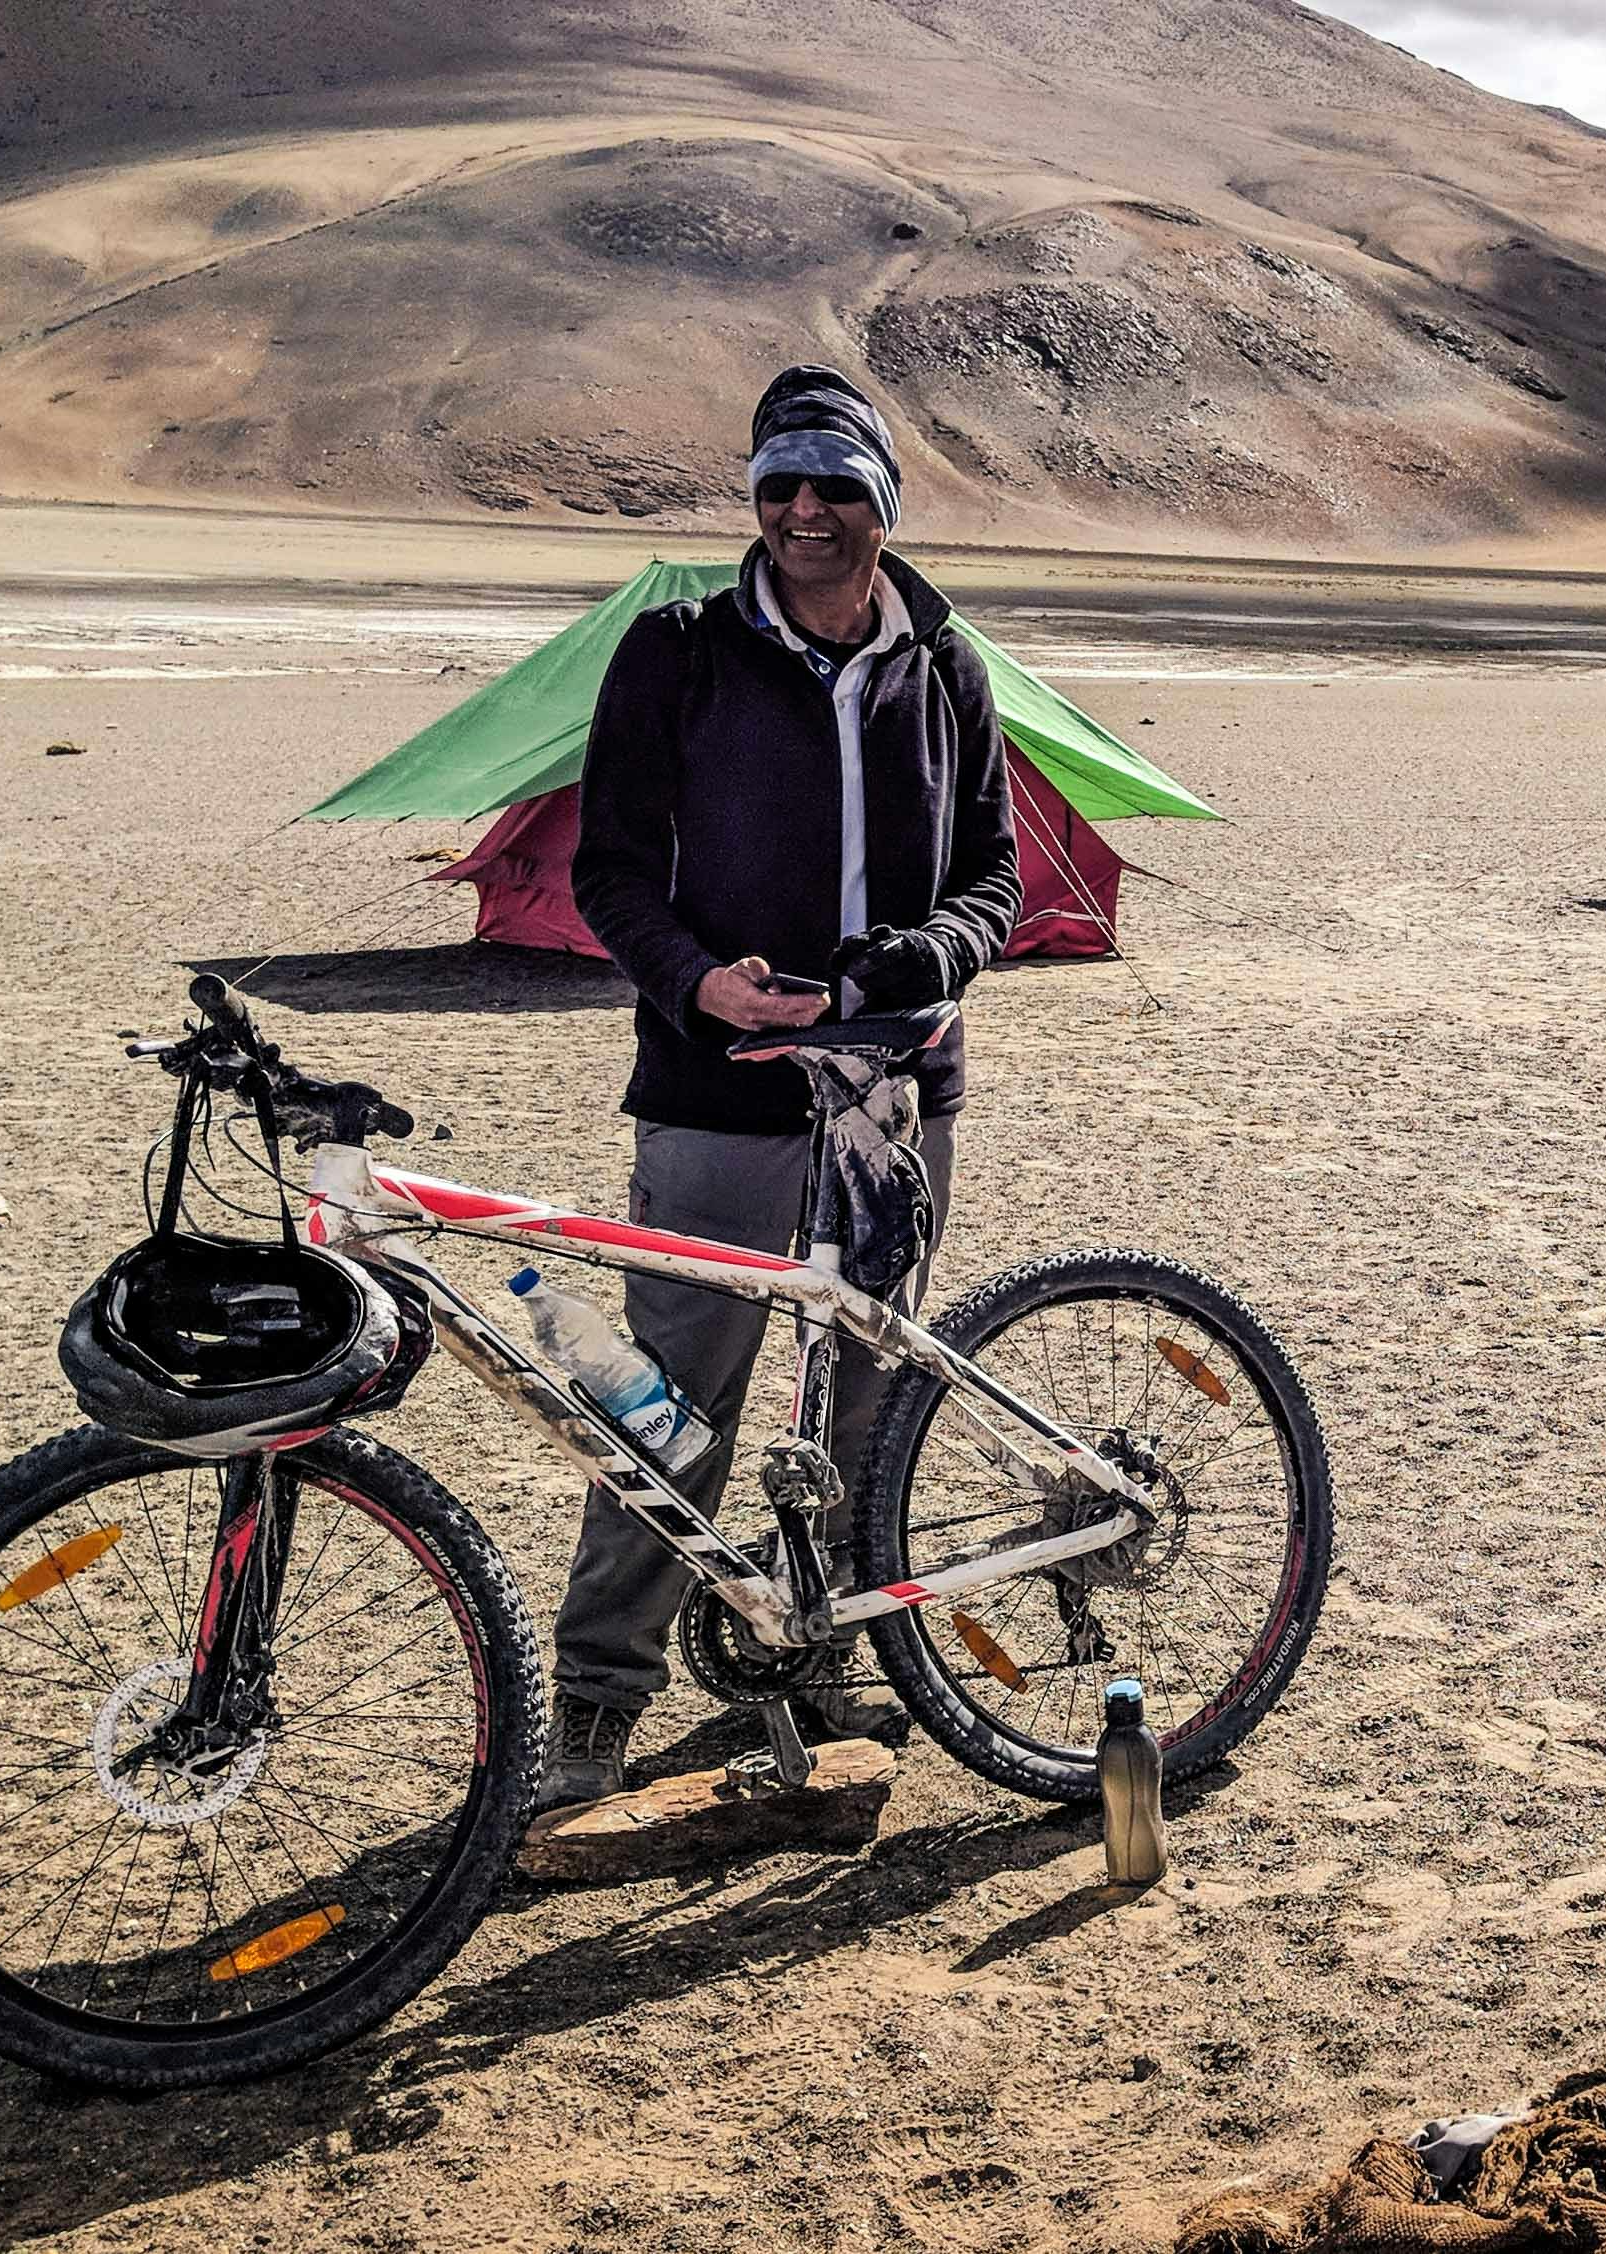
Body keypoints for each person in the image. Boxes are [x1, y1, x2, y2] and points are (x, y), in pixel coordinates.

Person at [542, 364, 1021, 1808]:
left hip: (895, 1088)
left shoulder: (945, 667)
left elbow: (994, 880)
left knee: (869, 1388)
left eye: (835, 486)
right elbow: (610, 870)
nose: (804, 511)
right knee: (672, 1401)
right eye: (778, 484)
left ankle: (823, 1645)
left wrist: (890, 975)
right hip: (718, 1090)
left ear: (885, 499)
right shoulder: (677, 653)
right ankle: (598, 1700)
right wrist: (697, 982)